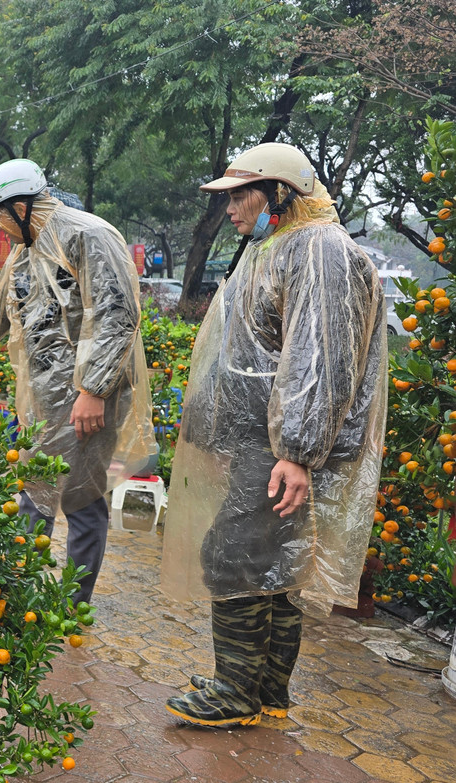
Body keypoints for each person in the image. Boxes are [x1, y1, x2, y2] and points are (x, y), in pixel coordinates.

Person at [160, 142, 386, 727]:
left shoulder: (319, 250)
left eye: (242, 195)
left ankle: (235, 692)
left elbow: (320, 359)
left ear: (280, 194)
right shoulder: (276, 246)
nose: (231, 208)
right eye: (229, 196)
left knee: (231, 555)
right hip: (267, 441)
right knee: (273, 566)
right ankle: (265, 690)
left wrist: (297, 452)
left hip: (286, 445)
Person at [0, 159, 153, 605]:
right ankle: (16, 593)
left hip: (90, 400)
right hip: (45, 398)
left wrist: (93, 389)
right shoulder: (24, 250)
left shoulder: (89, 236)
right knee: (33, 492)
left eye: (0, 217)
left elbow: (118, 317)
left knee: (82, 500)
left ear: (21, 207)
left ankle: (72, 605)